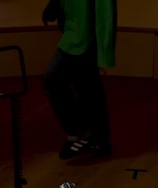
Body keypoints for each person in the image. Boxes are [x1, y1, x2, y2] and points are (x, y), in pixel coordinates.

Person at [42, 0, 116, 160]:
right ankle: (97, 138)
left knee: (56, 79)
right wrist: (52, 8)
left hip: (85, 38)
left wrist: (103, 52)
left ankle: (82, 131)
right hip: (74, 33)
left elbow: (105, 11)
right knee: (86, 85)